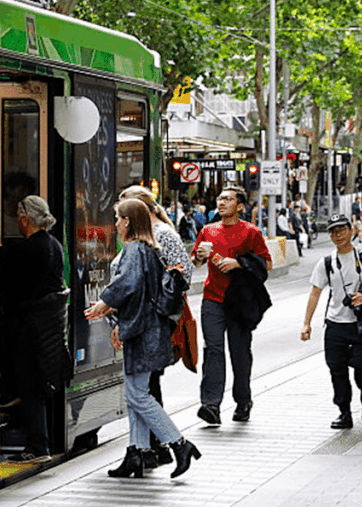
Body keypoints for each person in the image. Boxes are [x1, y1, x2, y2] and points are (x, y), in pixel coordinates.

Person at [84, 199, 201, 479]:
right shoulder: (147, 248)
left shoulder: (135, 249)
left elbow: (127, 284)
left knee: (138, 395)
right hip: (147, 330)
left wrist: (103, 304)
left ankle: (180, 444)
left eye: (118, 218)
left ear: (128, 221)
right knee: (136, 394)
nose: (116, 224)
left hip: (143, 333)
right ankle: (136, 453)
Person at [119, 185, 192, 467]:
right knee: (141, 390)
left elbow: (179, 275)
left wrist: (156, 308)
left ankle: (167, 444)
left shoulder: (157, 236)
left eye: (123, 211)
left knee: (141, 391)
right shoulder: (148, 236)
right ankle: (140, 451)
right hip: (147, 320)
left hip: (149, 323)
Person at [191, 186, 271, 425]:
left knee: (239, 352)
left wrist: (237, 263)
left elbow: (266, 264)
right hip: (212, 299)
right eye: (220, 198)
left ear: (240, 206)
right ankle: (211, 405)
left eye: (228, 199)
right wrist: (199, 258)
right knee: (213, 350)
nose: (222, 202)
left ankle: (243, 400)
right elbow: (194, 263)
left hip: (239, 301)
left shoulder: (251, 232)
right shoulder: (207, 230)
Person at [2, 195, 71, 462]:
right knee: (40, 386)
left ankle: (37, 447)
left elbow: (11, 290)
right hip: (48, 329)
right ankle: (42, 443)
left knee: (29, 387)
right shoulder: (54, 245)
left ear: (24, 218)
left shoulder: (25, 249)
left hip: (29, 330)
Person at [301, 214, 362, 429]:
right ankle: (344, 412)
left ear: (351, 230)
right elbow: (314, 292)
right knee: (336, 370)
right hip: (335, 324)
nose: (337, 235)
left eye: (341, 230)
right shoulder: (327, 263)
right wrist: (307, 323)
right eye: (333, 232)